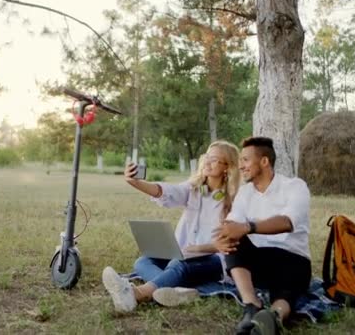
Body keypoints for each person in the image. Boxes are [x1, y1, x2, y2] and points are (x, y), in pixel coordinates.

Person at [102, 140, 241, 313]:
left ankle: (136, 294)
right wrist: (135, 183)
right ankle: (177, 291)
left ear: (227, 167)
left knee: (179, 264)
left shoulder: (236, 200)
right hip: (184, 255)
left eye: (214, 159)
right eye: (206, 157)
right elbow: (166, 191)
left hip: (215, 262)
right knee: (143, 261)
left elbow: (228, 246)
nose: (207, 162)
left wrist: (197, 249)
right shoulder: (194, 189)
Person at [214, 137, 312, 335]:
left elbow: (287, 222)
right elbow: (232, 224)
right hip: (259, 261)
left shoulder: (295, 187)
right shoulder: (245, 192)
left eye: (246, 160)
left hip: (293, 259)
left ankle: (273, 318)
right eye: (240, 161)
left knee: (285, 294)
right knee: (235, 239)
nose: (241, 166)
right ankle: (252, 305)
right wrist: (223, 237)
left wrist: (248, 227)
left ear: (264, 161)